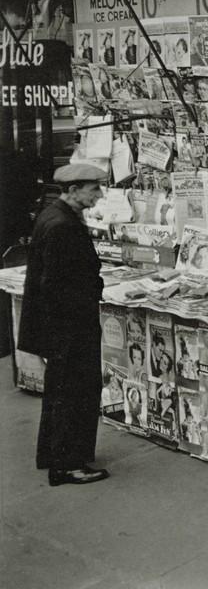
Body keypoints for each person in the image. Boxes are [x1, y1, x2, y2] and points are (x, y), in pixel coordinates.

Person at [19, 164, 111, 486]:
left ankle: (52, 456)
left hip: (61, 326)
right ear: (73, 190)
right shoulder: (62, 226)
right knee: (77, 393)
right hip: (70, 327)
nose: (98, 195)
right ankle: (70, 465)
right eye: (93, 189)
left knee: (59, 393)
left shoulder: (53, 215)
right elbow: (55, 284)